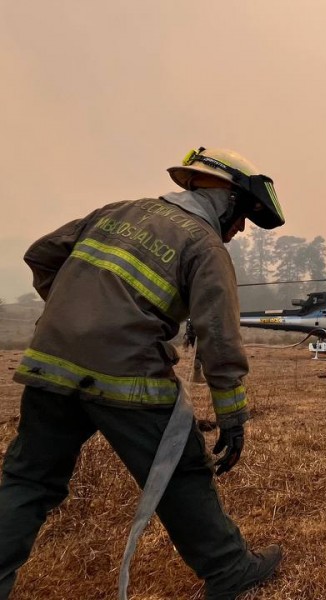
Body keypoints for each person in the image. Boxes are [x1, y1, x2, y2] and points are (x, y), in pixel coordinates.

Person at [0, 147, 286, 600]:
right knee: (180, 467)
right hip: (127, 375)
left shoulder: (117, 212)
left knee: (28, 481)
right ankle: (229, 567)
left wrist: (74, 311)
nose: (241, 228)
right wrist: (233, 417)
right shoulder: (203, 244)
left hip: (51, 363)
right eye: (244, 214)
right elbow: (220, 338)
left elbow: (41, 254)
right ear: (226, 199)